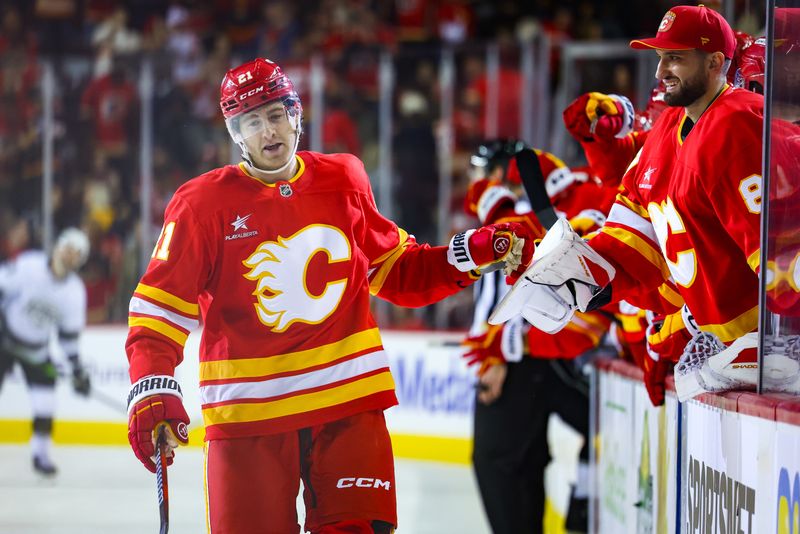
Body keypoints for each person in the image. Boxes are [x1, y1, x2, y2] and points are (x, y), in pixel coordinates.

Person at [124, 57, 534, 534]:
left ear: (297, 115)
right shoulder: (201, 204)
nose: (268, 130)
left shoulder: (345, 179)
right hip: (249, 420)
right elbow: (158, 310)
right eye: (252, 121)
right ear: (235, 133)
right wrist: (151, 386)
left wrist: (469, 253)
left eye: (276, 114)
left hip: (348, 407)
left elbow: (397, 271)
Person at [491, 4, 786, 401]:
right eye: (660, 57)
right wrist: (565, 272)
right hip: (728, 352)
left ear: (716, 61)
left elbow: (777, 248)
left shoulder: (740, 123)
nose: (660, 72)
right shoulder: (666, 130)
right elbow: (633, 241)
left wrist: (780, 332)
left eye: (675, 58)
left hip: (770, 353)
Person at [462, 139, 621, 533]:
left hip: (523, 359)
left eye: (482, 173)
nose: (475, 181)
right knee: (526, 460)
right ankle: (580, 508)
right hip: (538, 355)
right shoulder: (541, 204)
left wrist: (499, 353)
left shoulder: (515, 214)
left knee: (501, 463)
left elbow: (510, 289)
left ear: (498, 174)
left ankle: (580, 508)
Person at [0, 227, 92, 475]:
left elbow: (68, 338)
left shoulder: (74, 292)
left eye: (76, 253)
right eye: (68, 248)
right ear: (58, 246)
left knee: (45, 404)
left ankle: (40, 455)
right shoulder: (30, 265)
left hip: (36, 351)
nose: (69, 255)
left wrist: (77, 371)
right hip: (5, 341)